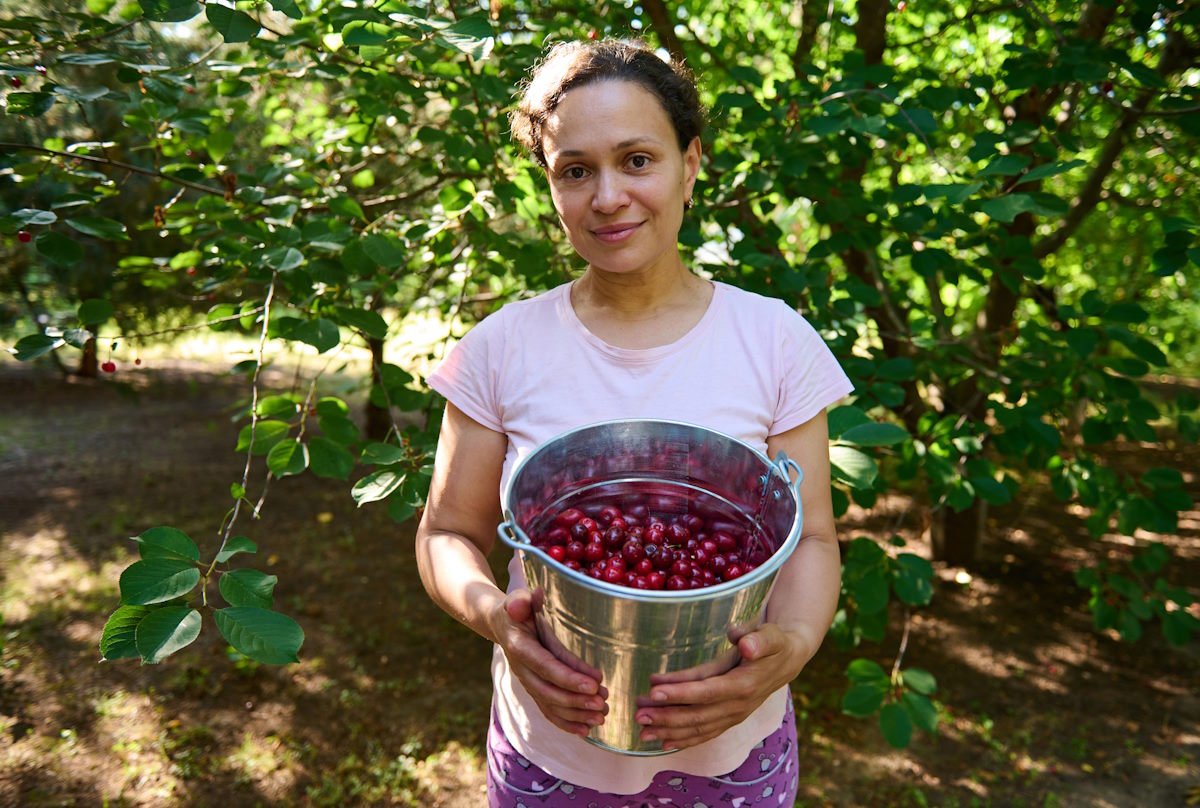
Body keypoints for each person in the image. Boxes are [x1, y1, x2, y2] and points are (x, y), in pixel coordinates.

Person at [415, 38, 852, 807]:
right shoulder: (499, 349)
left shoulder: (775, 340)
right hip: (549, 758)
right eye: (575, 170)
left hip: (734, 755)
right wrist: (499, 623)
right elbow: (447, 531)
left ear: (691, 163)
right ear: (550, 187)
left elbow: (811, 535)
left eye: (638, 159)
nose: (608, 196)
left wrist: (792, 647)